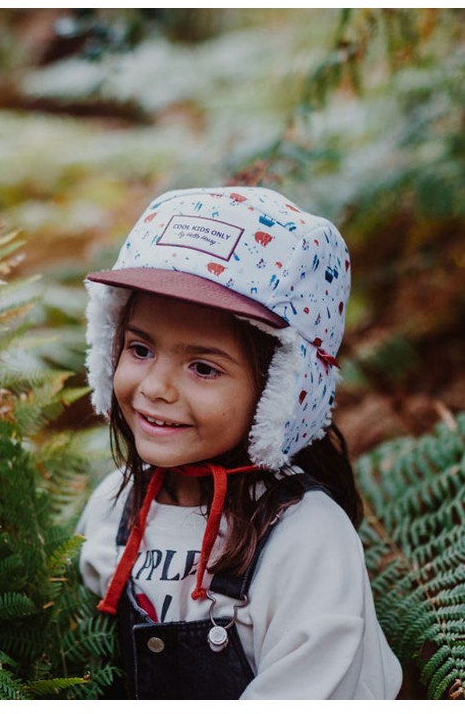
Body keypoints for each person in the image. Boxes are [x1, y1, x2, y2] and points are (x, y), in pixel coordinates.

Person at [76, 186, 402, 700]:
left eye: (203, 367)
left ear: (282, 391)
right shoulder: (115, 506)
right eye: (139, 348)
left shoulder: (305, 542)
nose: (155, 388)